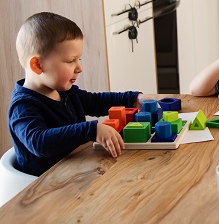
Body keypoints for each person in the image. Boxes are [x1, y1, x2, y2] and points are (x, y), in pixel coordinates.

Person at [8, 12, 144, 176]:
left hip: (75, 173)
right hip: (45, 189)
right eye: (70, 61)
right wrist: (90, 129)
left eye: (79, 60)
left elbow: (95, 102)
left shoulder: (65, 92)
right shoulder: (23, 106)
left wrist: (134, 98)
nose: (79, 68)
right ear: (38, 65)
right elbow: (39, 142)